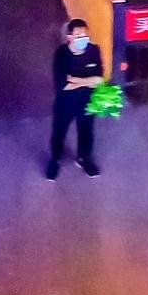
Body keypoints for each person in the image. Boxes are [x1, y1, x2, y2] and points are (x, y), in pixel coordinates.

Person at [48, 19, 105, 179]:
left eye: (85, 35)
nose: (83, 39)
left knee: (86, 131)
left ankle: (84, 158)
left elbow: (99, 79)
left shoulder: (94, 50)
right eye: (79, 35)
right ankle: (55, 159)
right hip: (65, 102)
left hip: (87, 101)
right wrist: (88, 81)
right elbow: (63, 85)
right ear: (70, 37)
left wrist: (76, 80)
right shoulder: (61, 54)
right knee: (59, 131)